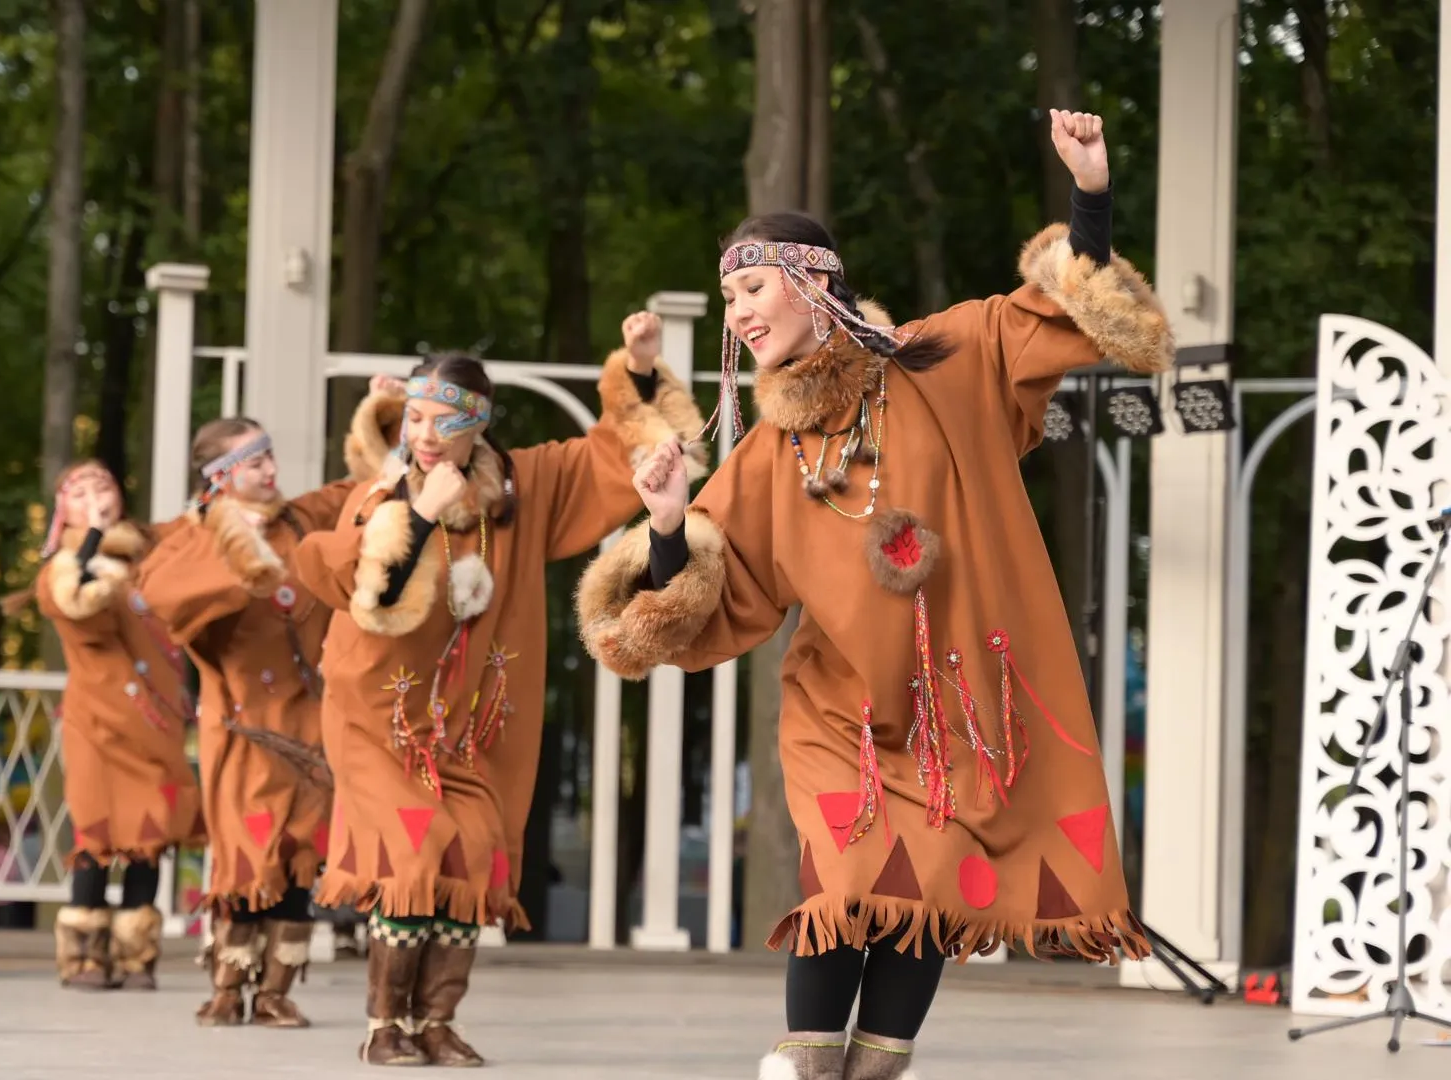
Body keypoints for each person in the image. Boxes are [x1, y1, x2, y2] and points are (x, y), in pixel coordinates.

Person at [575, 111, 1170, 1080]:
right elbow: (706, 597)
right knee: (852, 876)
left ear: (813, 279)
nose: (739, 313)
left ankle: (867, 1072)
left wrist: (1089, 197)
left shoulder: (949, 361)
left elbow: (1067, 318)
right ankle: (805, 1067)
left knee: (929, 887)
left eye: (752, 287)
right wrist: (672, 520)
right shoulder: (769, 450)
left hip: (950, 710)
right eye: (729, 298)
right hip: (840, 713)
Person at [291, 322, 708, 1067]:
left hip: (471, 725)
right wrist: (418, 515)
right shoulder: (381, 495)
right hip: (378, 717)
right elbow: (360, 586)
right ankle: (385, 1025)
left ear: (477, 422)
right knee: (414, 858)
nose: (424, 433)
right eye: (414, 417)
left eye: (442, 419)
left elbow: (611, 454)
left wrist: (638, 371)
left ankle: (434, 1023)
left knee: (473, 854)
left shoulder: (525, 488)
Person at [134, 389, 400, 1028]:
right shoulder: (193, 537)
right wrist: (242, 568)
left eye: (270, 456)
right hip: (242, 725)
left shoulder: (302, 519)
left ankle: (277, 991)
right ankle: (228, 985)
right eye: (254, 462)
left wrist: (383, 412)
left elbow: (369, 483)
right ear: (221, 476)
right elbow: (159, 594)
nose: (270, 470)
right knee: (244, 856)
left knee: (301, 855)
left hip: (309, 720)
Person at [20, 460, 201, 992]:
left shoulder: (149, 556)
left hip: (155, 718)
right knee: (97, 830)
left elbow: (197, 529)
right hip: (98, 718)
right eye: (81, 490)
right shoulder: (62, 567)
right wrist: (93, 536)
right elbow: (76, 603)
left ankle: (136, 954)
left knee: (151, 830)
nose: (96, 493)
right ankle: (83, 956)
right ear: (64, 510)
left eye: (105, 484)